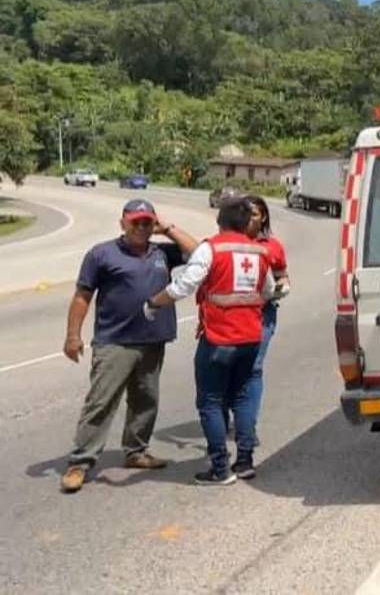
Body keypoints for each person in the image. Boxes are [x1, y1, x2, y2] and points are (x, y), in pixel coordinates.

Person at [60, 199, 199, 494]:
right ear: (122, 223)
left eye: (147, 222)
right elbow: (83, 296)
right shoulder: (101, 254)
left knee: (146, 400)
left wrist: (168, 229)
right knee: (101, 402)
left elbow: (199, 252)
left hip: (153, 340)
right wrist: (73, 335)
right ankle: (80, 462)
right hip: (114, 341)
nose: (141, 227)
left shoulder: (163, 252)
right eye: (135, 222)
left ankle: (136, 451)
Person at [144, 198, 280, 485]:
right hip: (251, 337)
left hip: (219, 338)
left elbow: (183, 285)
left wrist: (154, 303)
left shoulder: (211, 248)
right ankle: (245, 461)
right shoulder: (259, 251)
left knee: (210, 400)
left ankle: (220, 468)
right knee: (242, 397)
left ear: (220, 221)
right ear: (246, 223)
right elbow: (269, 290)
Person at [235, 196, 289, 445]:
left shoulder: (273, 247)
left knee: (254, 368)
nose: (249, 219)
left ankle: (247, 425)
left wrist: (282, 288)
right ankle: (226, 411)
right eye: (244, 213)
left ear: (263, 217)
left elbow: (283, 276)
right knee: (229, 367)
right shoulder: (228, 243)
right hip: (229, 317)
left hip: (262, 315)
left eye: (254, 214)